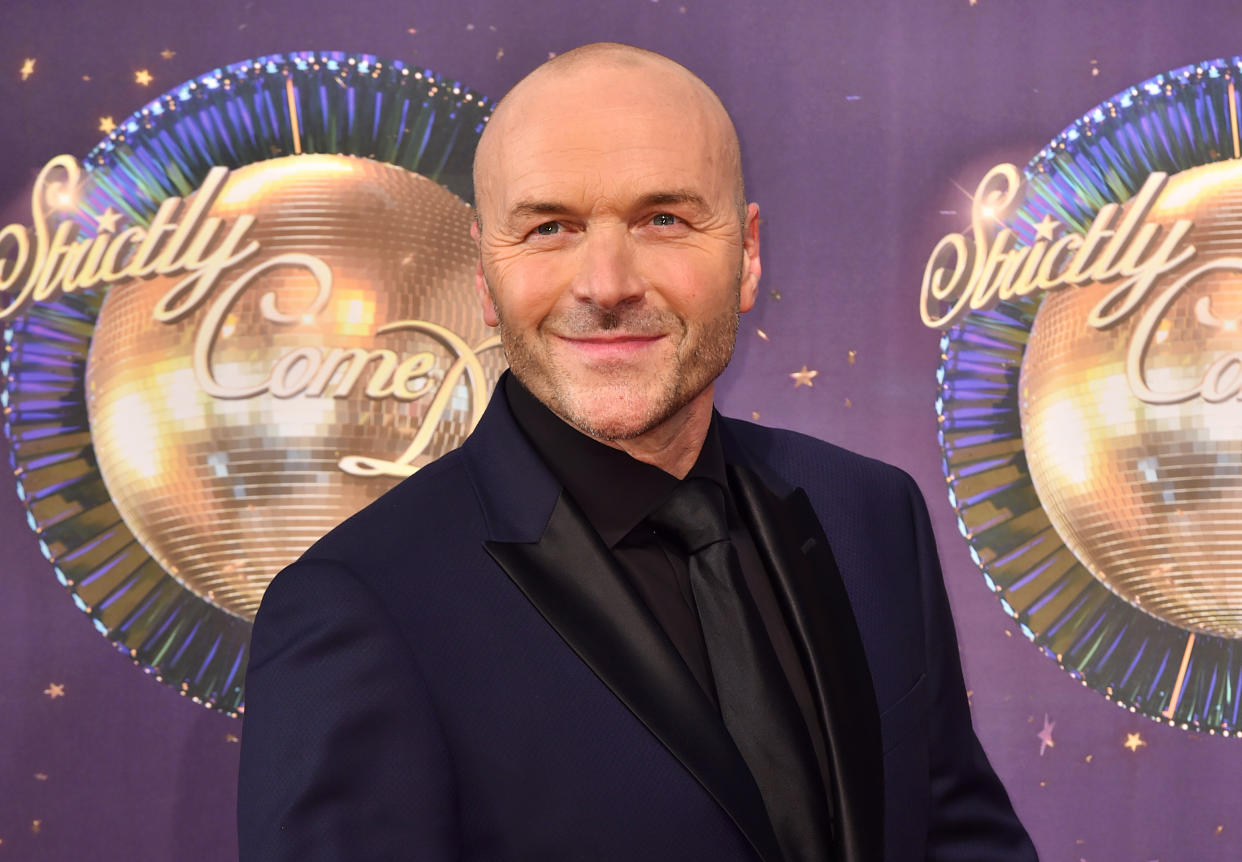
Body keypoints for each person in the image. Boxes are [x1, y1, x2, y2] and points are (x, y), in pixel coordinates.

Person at [237, 42, 1037, 862]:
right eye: (550, 227)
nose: (607, 283)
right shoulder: (362, 606)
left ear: (748, 253)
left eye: (664, 220)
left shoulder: (868, 512)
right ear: (484, 274)